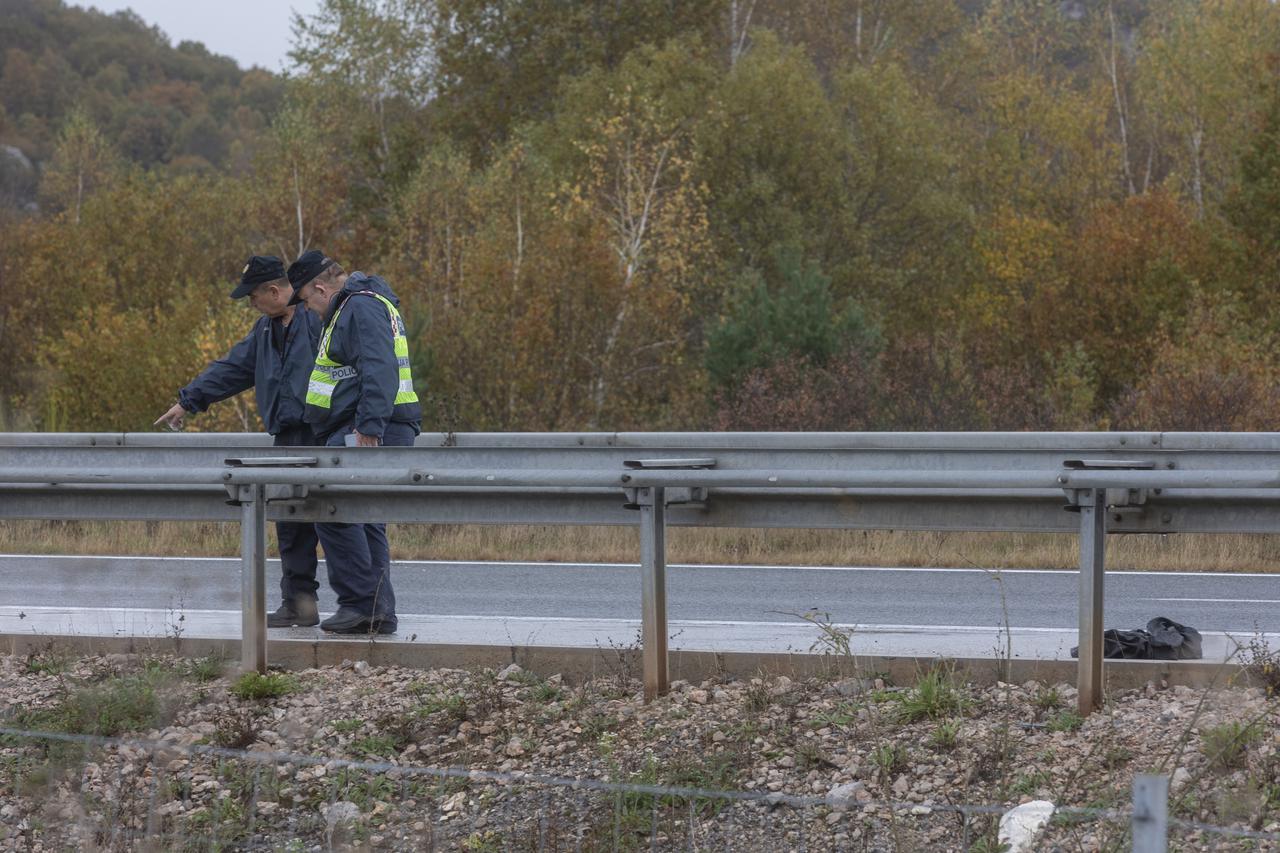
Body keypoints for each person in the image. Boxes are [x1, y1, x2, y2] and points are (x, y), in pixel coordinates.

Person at [154, 255, 324, 628]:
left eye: (253, 297)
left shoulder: (318, 321)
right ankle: (300, 605)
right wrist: (188, 401)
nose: (252, 304)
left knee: (338, 523)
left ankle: (362, 608)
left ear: (275, 291)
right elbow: (231, 369)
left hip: (325, 435)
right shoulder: (265, 331)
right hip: (288, 436)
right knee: (291, 521)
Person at [287, 249, 421, 635]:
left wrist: (369, 428)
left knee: (332, 509)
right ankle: (376, 610)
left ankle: (362, 604)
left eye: (308, 301)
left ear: (320, 287)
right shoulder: (364, 303)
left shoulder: (357, 308)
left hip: (368, 427)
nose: (309, 309)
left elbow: (378, 367)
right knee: (364, 519)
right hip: (371, 424)